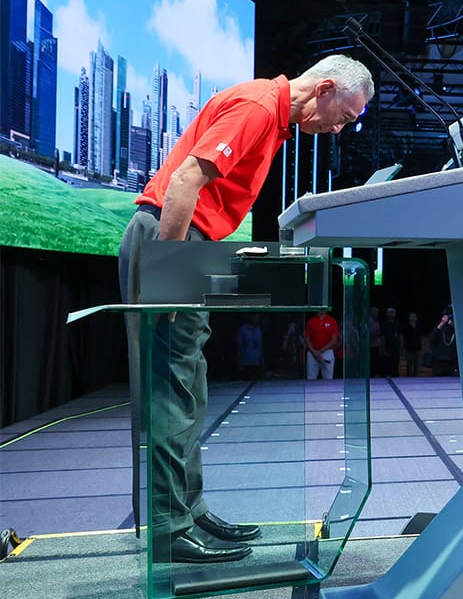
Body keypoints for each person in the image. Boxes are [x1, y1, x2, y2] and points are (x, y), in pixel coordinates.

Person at [118, 54, 373, 564]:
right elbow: (185, 181)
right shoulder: (259, 107)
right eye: (343, 116)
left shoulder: (273, 120)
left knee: (188, 387)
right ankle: (170, 527)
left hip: (189, 244)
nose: (339, 130)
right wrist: (171, 272)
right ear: (324, 88)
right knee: (171, 388)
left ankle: (189, 509)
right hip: (171, 240)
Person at [305, 310, 340, 380]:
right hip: (312, 353)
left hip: (327, 352)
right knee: (311, 378)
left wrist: (320, 351)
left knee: (328, 379)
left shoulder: (332, 321)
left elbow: (334, 340)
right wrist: (314, 352)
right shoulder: (310, 321)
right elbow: (307, 338)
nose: (320, 309)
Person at [235, 315, 264, 380]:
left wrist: (262, 362)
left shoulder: (259, 330)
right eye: (255, 317)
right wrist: (239, 363)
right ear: (251, 318)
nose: (257, 319)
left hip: (256, 363)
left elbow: (260, 347)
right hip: (246, 363)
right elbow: (239, 348)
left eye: (258, 317)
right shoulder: (242, 330)